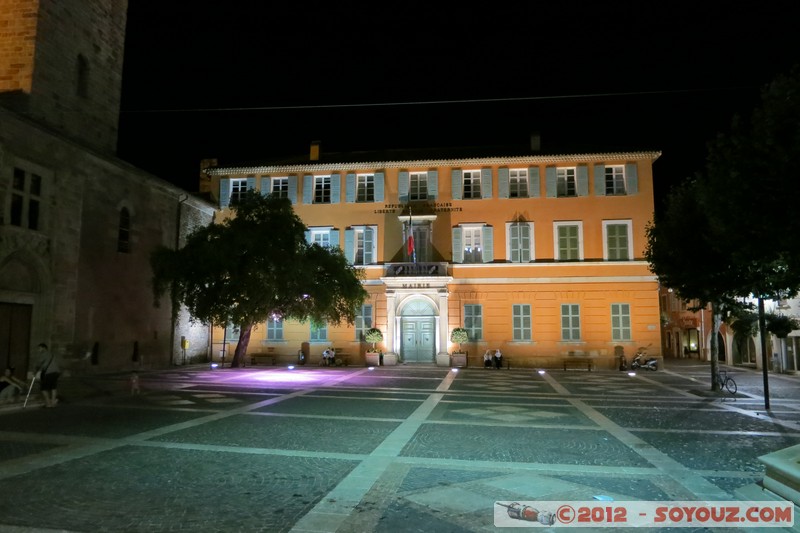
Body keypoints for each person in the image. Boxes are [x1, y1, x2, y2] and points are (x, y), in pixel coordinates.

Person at [34, 343, 60, 408]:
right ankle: (53, 402)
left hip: (49, 372)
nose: (38, 350)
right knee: (53, 387)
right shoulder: (52, 354)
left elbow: (39, 363)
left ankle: (48, 403)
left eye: (39, 348)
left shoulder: (44, 354)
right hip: (56, 372)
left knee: (43, 388)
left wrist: (36, 369)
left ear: (44, 348)